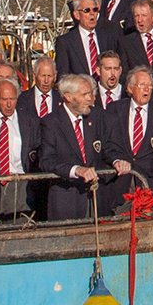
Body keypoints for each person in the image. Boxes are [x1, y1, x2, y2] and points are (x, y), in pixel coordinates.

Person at [39, 74, 110, 221]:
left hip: (96, 200)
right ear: (68, 97)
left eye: (91, 93)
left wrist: (117, 160)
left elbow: (108, 147)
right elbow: (46, 161)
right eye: (85, 94)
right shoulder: (51, 123)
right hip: (67, 201)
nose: (91, 99)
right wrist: (76, 170)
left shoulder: (96, 116)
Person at [102, 66, 153, 214]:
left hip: (149, 189)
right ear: (130, 88)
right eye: (142, 85)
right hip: (120, 187)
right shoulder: (114, 110)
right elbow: (106, 145)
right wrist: (116, 160)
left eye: (150, 85)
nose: (147, 89)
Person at [0, 79, 39, 224]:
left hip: (20, 184)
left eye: (13, 99)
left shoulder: (29, 120)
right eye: (5, 99)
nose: (9, 104)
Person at [53, 0, 118, 78]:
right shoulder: (65, 42)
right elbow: (62, 76)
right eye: (86, 10)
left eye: (95, 10)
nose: (92, 13)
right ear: (77, 15)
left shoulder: (108, 37)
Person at [119, 0, 153, 72]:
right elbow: (123, 72)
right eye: (136, 16)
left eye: (144, 15)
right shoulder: (125, 43)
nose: (139, 20)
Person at [19, 56, 62, 121]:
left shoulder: (62, 99)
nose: (46, 81)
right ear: (34, 75)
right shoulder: (22, 99)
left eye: (49, 76)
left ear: (55, 77)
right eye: (43, 76)